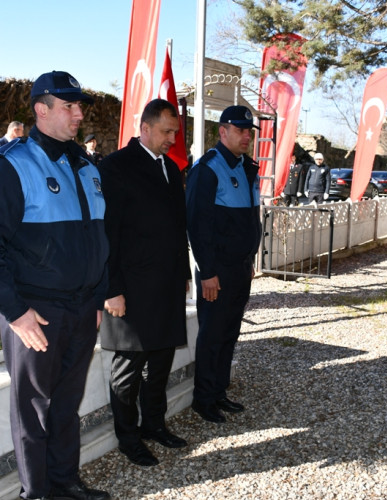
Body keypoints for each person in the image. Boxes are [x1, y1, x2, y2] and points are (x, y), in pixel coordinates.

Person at [0, 71, 109, 500]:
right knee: (33, 408)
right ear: (41, 110)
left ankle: (65, 482)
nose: (79, 113)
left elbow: (99, 238)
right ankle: (38, 492)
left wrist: (97, 298)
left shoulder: (85, 165)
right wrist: (15, 311)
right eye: (69, 106)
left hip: (82, 309)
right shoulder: (14, 165)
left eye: (79, 105)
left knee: (66, 402)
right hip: (36, 311)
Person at [98, 99, 190, 467]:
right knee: (128, 369)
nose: (172, 139)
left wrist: (183, 271)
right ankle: (128, 437)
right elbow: (108, 233)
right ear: (146, 127)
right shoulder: (115, 167)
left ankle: (154, 424)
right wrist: (112, 288)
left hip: (165, 283)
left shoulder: (171, 167)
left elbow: (175, 226)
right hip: (131, 289)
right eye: (167, 132)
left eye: (175, 132)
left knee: (161, 361)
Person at [186, 105, 261, 424]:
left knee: (230, 331)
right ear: (223, 132)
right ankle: (203, 399)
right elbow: (197, 225)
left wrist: (251, 259)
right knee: (212, 333)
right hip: (216, 271)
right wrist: (208, 272)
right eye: (240, 130)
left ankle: (219, 391)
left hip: (240, 267)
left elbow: (249, 220)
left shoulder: (247, 167)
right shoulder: (208, 168)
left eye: (249, 131)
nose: (246, 136)